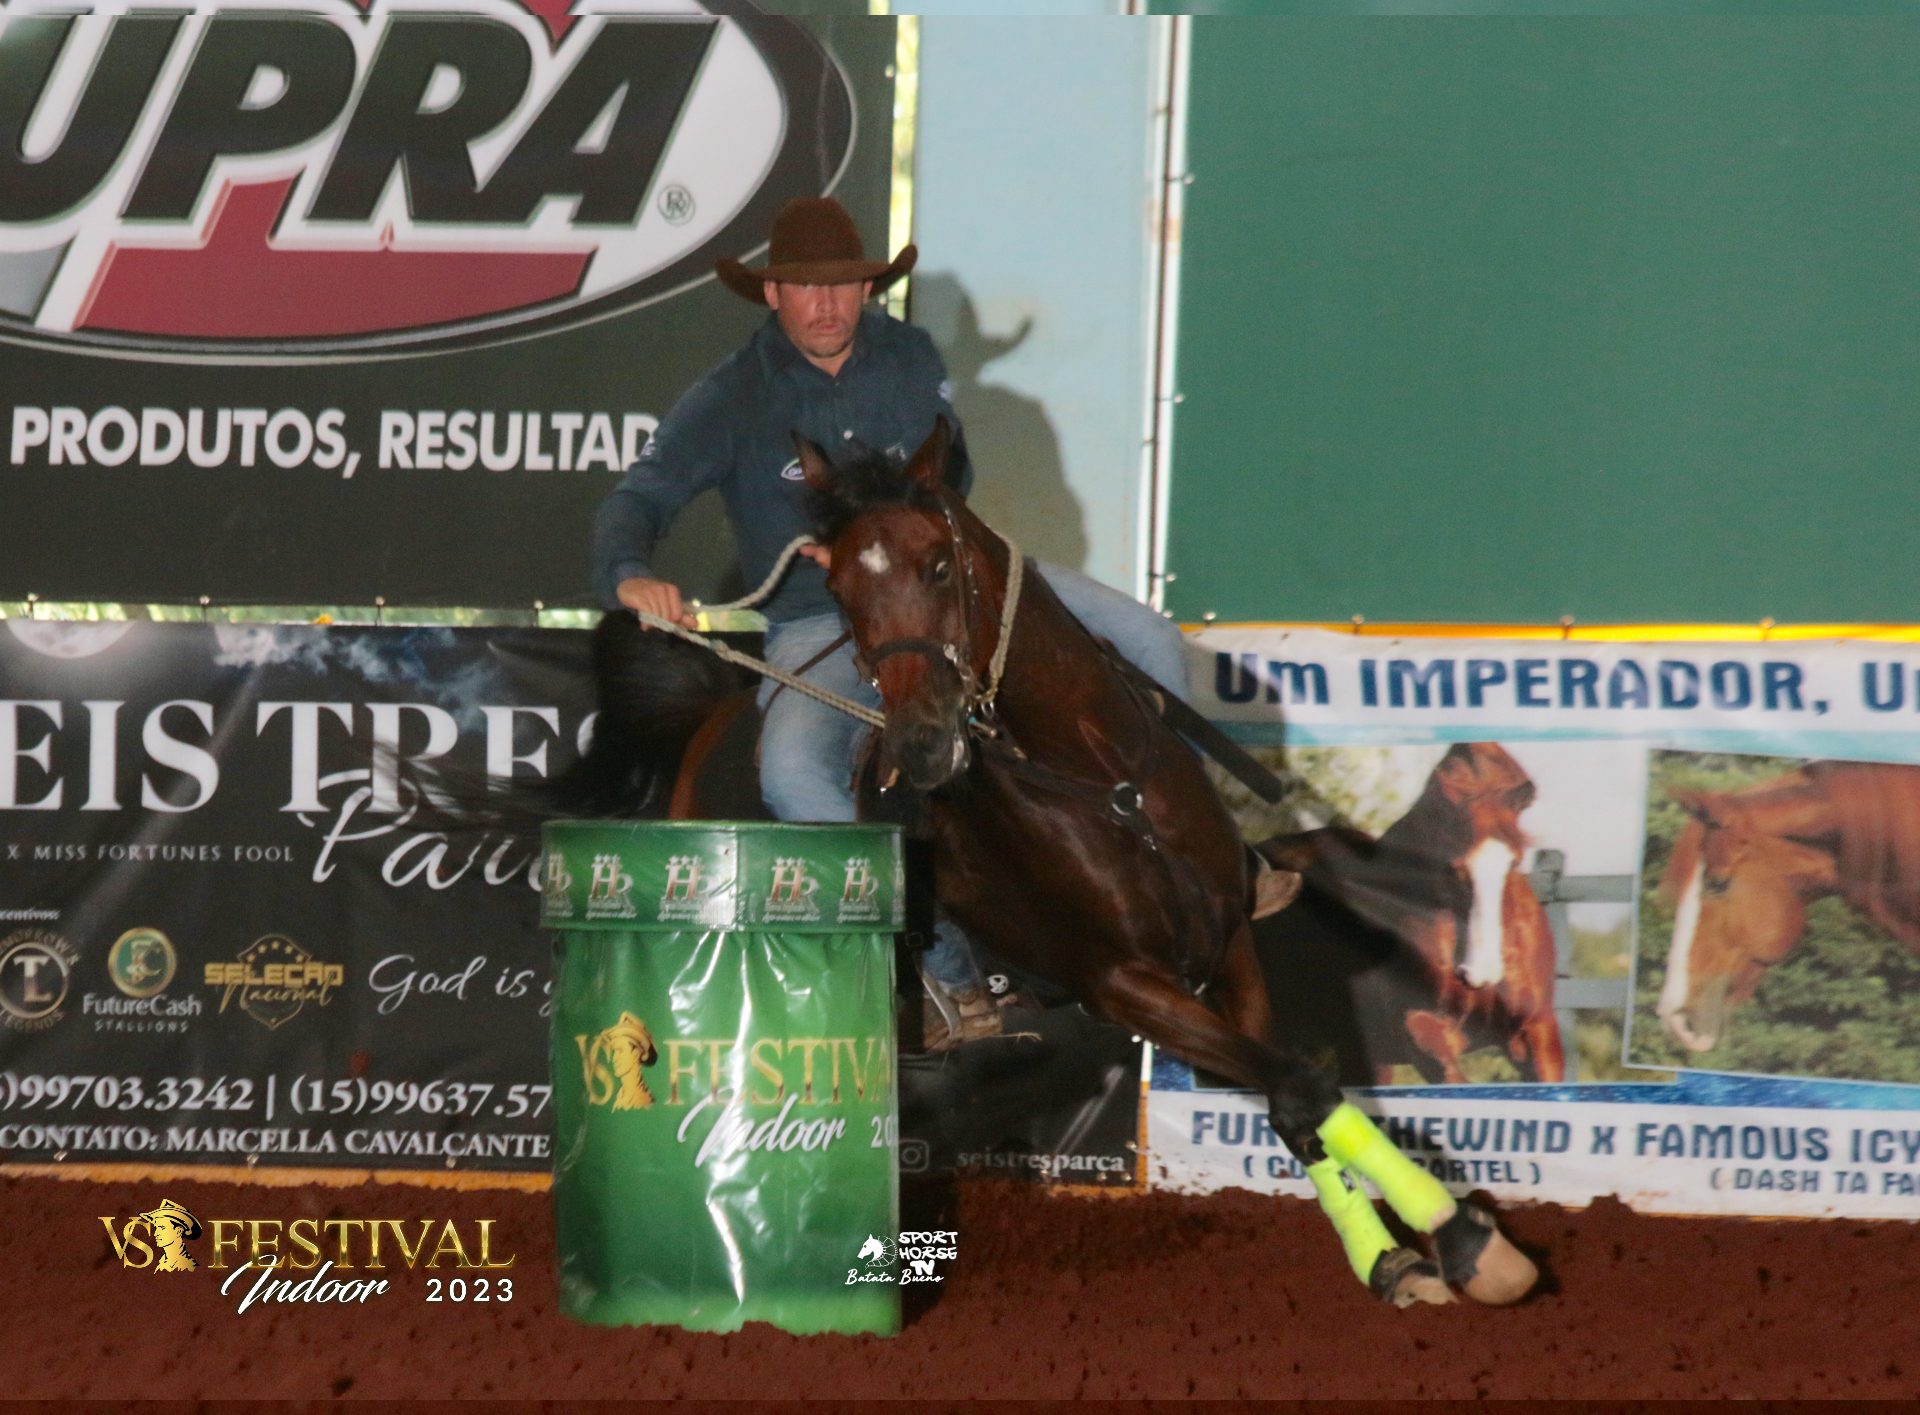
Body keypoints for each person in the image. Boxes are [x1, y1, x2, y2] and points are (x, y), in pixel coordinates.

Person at [592, 197, 1190, 1044]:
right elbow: (639, 496)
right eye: (805, 287)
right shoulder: (730, 395)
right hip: (818, 626)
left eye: (844, 285)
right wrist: (632, 575)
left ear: (870, 285)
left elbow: (953, 474)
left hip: (957, 587)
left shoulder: (910, 356)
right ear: (771, 296)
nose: (827, 304)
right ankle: (949, 974)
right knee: (794, 773)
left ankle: (1194, 866)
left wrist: (891, 546)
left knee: (1157, 643)